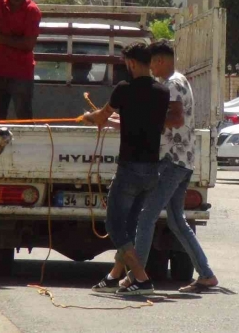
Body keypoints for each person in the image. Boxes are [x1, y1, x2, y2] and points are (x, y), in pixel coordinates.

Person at [122, 39, 219, 293]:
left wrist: (148, 119)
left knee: (146, 217)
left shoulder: (173, 84)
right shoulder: (177, 81)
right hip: (183, 160)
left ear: (160, 60)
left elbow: (175, 119)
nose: (150, 68)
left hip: (172, 162)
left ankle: (137, 276)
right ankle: (206, 274)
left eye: (152, 62)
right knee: (177, 220)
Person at [82, 42, 170, 296]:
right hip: (151, 170)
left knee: (113, 225)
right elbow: (138, 120)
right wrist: (107, 119)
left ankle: (141, 279)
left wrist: (91, 117)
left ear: (131, 63)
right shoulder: (162, 92)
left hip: (129, 167)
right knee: (130, 226)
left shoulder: (123, 89)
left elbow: (101, 117)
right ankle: (113, 278)